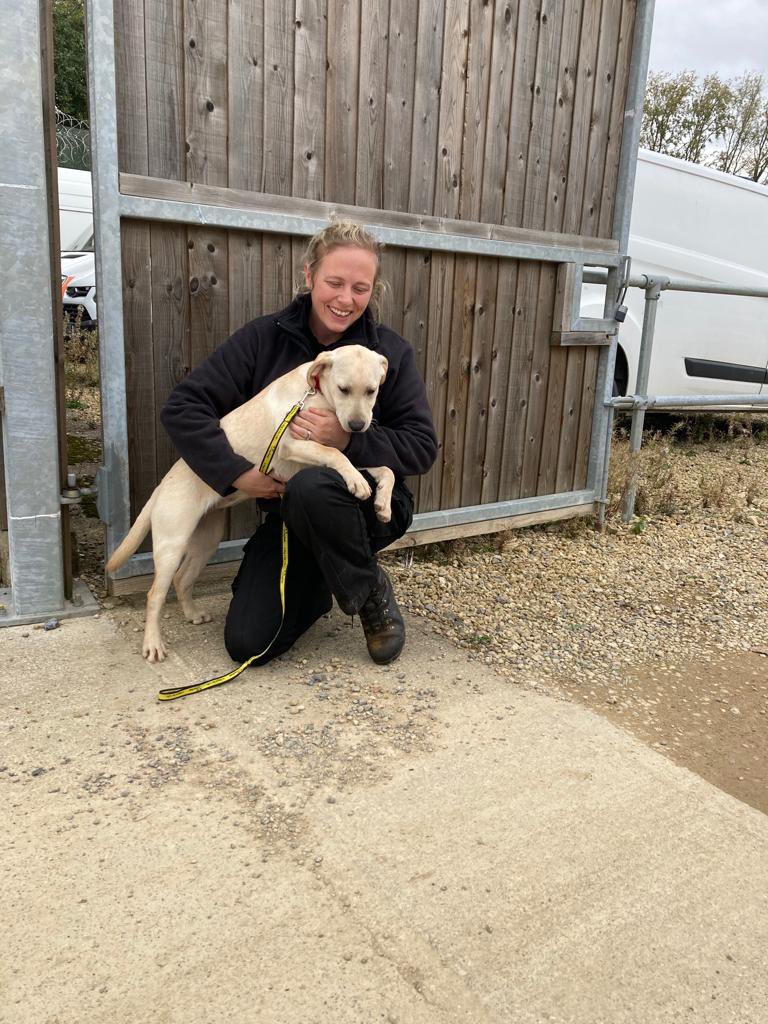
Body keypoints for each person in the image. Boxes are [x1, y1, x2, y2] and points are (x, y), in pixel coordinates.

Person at [160, 220, 438, 667]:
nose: (345, 299)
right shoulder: (263, 339)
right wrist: (236, 474)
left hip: (368, 508)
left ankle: (368, 589)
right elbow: (183, 408)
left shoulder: (389, 353)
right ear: (309, 275)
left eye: (360, 288)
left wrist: (347, 440)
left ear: (373, 290)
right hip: (289, 516)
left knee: (314, 484)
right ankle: (321, 579)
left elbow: (422, 446)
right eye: (334, 283)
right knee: (248, 643)